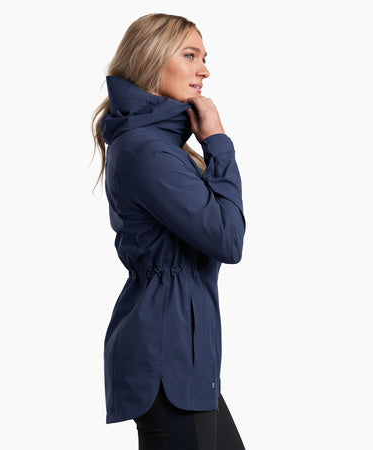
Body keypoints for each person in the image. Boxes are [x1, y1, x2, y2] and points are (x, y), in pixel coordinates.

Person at [91, 13, 247, 450]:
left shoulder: (159, 146)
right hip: (169, 358)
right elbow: (227, 238)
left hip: (183, 356)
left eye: (205, 58)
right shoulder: (148, 151)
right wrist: (218, 143)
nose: (204, 70)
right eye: (190, 56)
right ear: (151, 59)